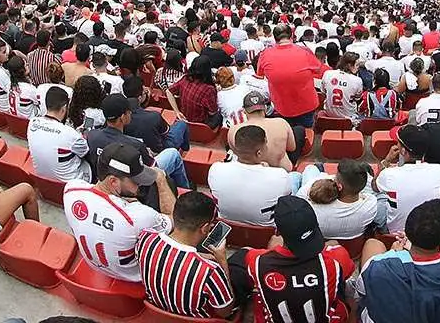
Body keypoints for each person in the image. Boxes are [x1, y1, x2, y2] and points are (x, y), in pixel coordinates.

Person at [64, 142, 176, 283]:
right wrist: (161, 180)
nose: (139, 184)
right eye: (135, 181)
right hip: (134, 279)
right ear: (113, 182)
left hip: (95, 266)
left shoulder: (71, 190)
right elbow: (176, 220)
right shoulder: (139, 216)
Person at [352, 199, 440, 323]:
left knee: (373, 244)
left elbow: (361, 292)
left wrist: (394, 254)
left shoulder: (378, 266)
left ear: (407, 231)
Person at [244, 195, 356, 323]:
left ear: (277, 232)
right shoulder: (336, 260)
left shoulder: (255, 261)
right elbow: (348, 271)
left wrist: (274, 248)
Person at [136, 191, 238, 319]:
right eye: (212, 223)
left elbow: (173, 259)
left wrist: (202, 256)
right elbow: (225, 312)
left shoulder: (145, 239)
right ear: (205, 228)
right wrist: (222, 259)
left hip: (160, 313)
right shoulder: (211, 272)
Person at [85, 95, 190, 189]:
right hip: (133, 186)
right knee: (173, 154)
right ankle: (184, 191)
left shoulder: (92, 136)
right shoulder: (135, 145)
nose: (131, 113)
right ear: (122, 117)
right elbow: (152, 171)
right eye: (129, 112)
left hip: (107, 182)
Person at [208, 125, 298, 226]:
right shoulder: (281, 176)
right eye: (266, 144)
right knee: (295, 176)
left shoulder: (215, 169)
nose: (267, 147)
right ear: (259, 153)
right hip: (267, 230)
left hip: (228, 225)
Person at [374, 124, 440, 234]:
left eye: (398, 142)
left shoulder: (389, 174)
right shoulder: (439, 170)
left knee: (378, 196)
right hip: (429, 232)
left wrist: (386, 160)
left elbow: (374, 186)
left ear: (403, 151)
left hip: (396, 233)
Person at [258, 24, 326, 128]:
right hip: (305, 105)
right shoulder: (305, 51)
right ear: (291, 36)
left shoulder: (265, 54)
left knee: (286, 137)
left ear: (275, 39)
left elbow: (260, 73)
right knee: (305, 137)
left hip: (282, 106)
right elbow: (318, 69)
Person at [297, 158, 382, 239]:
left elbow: (300, 196)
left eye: (335, 178)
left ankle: (319, 168)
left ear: (339, 186)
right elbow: (376, 192)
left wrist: (323, 183)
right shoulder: (370, 206)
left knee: (308, 170)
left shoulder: (312, 210)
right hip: (352, 247)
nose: (333, 178)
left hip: (321, 240)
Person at [27, 86, 91, 183]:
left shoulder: (32, 123)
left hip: (43, 179)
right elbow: (85, 152)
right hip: (71, 183)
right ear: (64, 108)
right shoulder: (71, 134)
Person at [229, 90, 299, 170]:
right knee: (298, 131)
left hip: (251, 171)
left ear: (244, 111)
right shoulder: (281, 123)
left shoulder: (233, 131)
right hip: (281, 170)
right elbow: (292, 148)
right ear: (265, 109)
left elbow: (238, 153)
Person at [120, 74, 189, 153]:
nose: (146, 90)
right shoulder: (154, 116)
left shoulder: (119, 116)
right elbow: (166, 133)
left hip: (134, 148)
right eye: (144, 90)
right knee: (182, 124)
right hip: (159, 151)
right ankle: (184, 151)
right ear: (140, 97)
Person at [167, 58, 221, 128]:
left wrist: (177, 111)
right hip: (200, 124)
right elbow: (212, 112)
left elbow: (168, 91)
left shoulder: (185, 79)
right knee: (220, 114)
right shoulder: (209, 89)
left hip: (185, 118)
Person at [322, 53, 364, 122]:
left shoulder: (327, 73)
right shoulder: (357, 80)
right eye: (356, 65)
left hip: (329, 114)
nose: (358, 67)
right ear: (349, 65)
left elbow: (323, 93)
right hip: (348, 117)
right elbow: (357, 98)